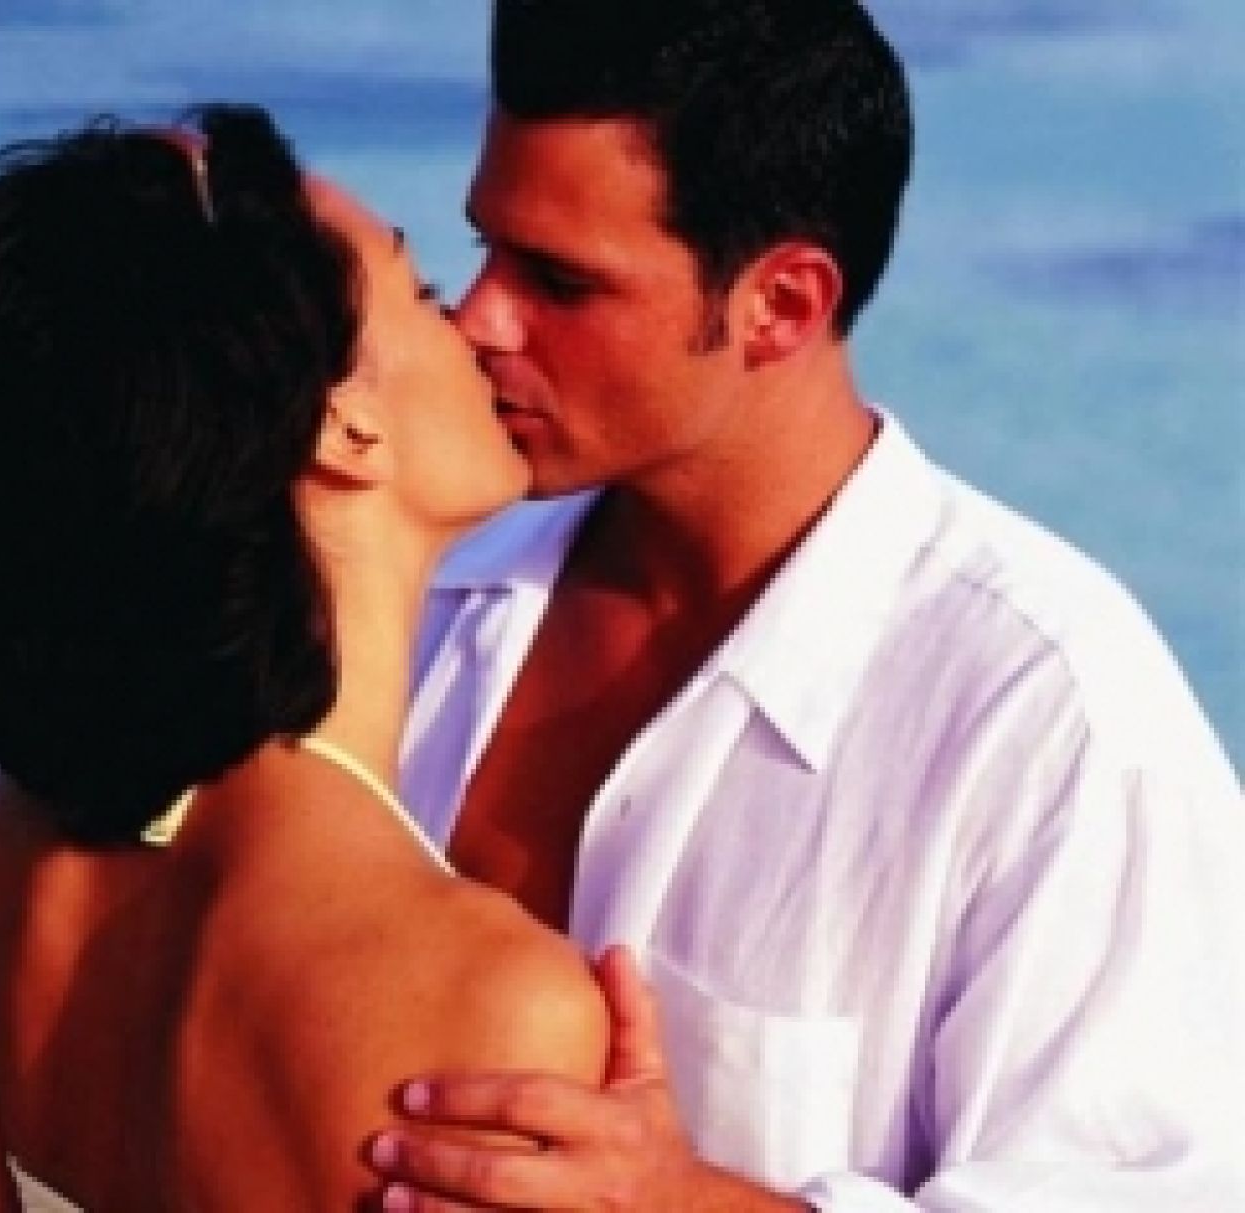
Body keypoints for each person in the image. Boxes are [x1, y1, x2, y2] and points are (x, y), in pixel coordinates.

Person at [370, 0, 1245, 1209]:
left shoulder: (1046, 717)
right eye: (487, 249)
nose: (478, 317)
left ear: (780, 305)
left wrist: (676, 1203)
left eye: (558, 282)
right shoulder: (418, 588)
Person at [0, 104, 608, 1211]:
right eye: (421, 293)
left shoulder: (15, 847)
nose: (475, 323)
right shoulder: (488, 1000)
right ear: (344, 428)